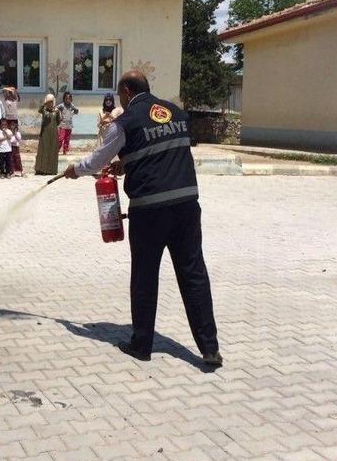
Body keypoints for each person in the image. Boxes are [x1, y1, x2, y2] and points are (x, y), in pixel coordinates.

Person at [63, 71, 221, 365]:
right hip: (187, 206)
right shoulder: (177, 113)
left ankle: (142, 344)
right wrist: (129, 162)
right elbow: (165, 150)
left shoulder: (125, 122)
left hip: (150, 212)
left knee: (145, 277)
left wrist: (76, 170)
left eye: (120, 95)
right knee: (194, 273)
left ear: (126, 91)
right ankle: (210, 348)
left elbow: (97, 160)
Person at [34, 94, 60, 175]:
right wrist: (44, 103)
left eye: (51, 102)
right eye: (48, 102)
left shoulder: (56, 111)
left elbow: (58, 122)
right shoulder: (44, 110)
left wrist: (57, 112)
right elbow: (39, 110)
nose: (50, 103)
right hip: (45, 133)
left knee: (52, 150)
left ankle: (51, 170)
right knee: (44, 150)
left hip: (54, 133)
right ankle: (42, 170)